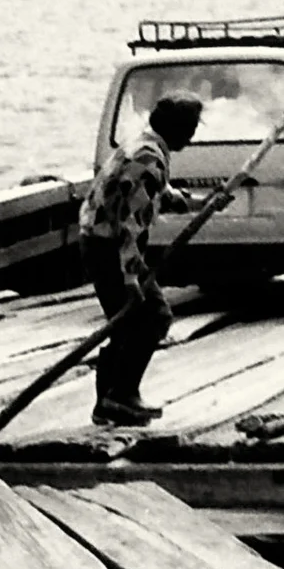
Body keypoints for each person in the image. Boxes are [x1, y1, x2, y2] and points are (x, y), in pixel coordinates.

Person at [79, 91, 222, 427]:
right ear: (177, 129)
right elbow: (129, 228)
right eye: (190, 129)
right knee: (154, 315)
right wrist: (131, 280)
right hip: (109, 247)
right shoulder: (149, 160)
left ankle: (108, 402)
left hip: (98, 240)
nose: (192, 135)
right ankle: (123, 394)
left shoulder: (147, 147)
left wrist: (201, 203)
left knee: (125, 323)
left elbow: (161, 194)